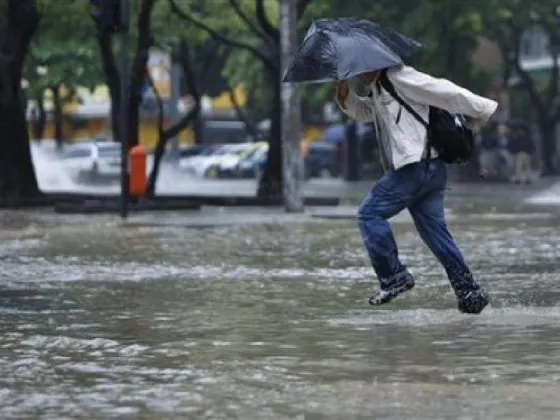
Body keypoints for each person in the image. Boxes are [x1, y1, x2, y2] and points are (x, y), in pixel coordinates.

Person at [334, 65, 498, 314]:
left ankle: (393, 277)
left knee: (369, 214)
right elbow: (368, 113)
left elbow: (443, 90)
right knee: (437, 235)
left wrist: (483, 108)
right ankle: (468, 292)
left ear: (374, 63)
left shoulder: (399, 76)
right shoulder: (380, 87)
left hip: (414, 169)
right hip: (430, 172)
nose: (358, 74)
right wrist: (345, 96)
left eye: (359, 69)